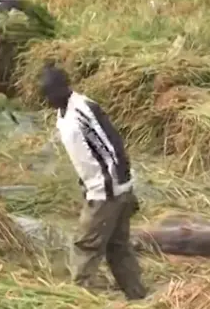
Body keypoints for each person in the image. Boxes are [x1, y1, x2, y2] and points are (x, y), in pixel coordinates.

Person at [40, 65, 147, 301]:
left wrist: (116, 189)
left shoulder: (84, 111)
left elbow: (113, 147)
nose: (47, 100)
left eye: (50, 93)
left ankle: (78, 299)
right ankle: (138, 296)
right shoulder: (63, 112)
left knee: (85, 245)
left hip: (107, 191)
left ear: (63, 89)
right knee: (117, 247)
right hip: (100, 188)